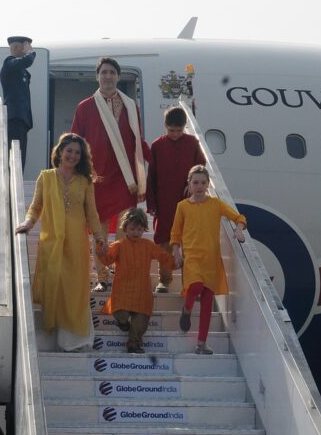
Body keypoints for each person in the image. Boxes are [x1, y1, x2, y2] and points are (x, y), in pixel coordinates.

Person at [15, 133, 105, 351]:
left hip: (76, 243)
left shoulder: (84, 181)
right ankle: (54, 337)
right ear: (60, 152)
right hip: (51, 242)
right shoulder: (46, 177)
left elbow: (92, 213)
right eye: (69, 151)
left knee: (74, 290)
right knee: (54, 286)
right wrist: (27, 223)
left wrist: (100, 237)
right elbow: (36, 207)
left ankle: (73, 341)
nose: (72, 155)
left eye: (77, 152)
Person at [71, 57, 150, 293]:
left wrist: (155, 159)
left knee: (126, 231)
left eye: (112, 72)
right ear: (97, 76)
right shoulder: (85, 107)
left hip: (126, 180)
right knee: (99, 232)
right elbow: (75, 141)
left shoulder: (129, 106)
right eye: (103, 72)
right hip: (98, 179)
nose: (107, 76)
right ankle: (103, 277)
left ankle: (124, 272)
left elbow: (137, 141)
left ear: (118, 76)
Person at [170, 165, 246, 354]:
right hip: (193, 258)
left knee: (206, 303)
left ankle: (201, 343)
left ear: (208, 184)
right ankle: (186, 310)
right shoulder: (183, 206)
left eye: (203, 182)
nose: (199, 186)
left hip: (212, 260)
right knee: (194, 286)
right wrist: (176, 252)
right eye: (195, 182)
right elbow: (175, 233)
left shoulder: (216, 204)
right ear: (189, 183)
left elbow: (239, 217)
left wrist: (238, 229)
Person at [146, 106, 206, 293]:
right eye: (171, 130)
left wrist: (193, 184)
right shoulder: (157, 145)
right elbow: (152, 176)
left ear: (184, 127)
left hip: (186, 200)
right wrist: (151, 203)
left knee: (188, 242)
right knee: (164, 241)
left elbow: (200, 165)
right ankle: (164, 280)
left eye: (179, 130)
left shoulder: (192, 142)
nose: (175, 134)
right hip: (164, 202)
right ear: (165, 126)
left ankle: (190, 282)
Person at [96, 208, 173, 353]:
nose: (136, 232)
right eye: (132, 229)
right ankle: (123, 323)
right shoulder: (119, 245)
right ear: (125, 228)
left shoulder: (148, 245)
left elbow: (163, 256)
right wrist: (101, 249)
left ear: (144, 229)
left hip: (142, 291)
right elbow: (107, 259)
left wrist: (176, 262)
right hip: (123, 289)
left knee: (141, 321)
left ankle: (134, 344)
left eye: (139, 229)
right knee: (120, 313)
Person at [0, 35, 36, 170]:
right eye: (25, 46)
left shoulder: (20, 70)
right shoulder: (9, 63)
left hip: (22, 119)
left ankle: (16, 182)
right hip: (14, 117)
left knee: (20, 158)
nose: (28, 49)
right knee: (14, 156)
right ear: (15, 47)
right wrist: (31, 53)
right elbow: (27, 61)